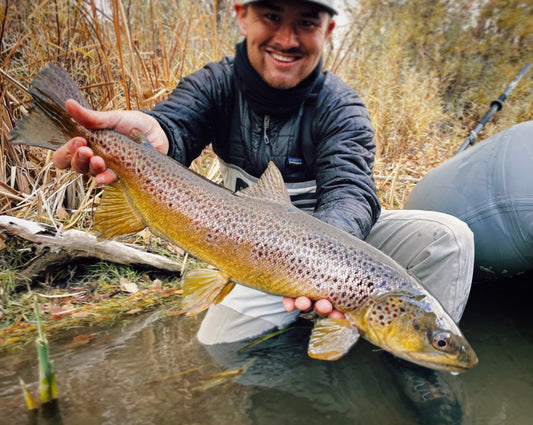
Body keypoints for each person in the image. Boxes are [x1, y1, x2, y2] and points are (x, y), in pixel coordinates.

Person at [53, 0, 474, 343]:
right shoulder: (213, 85)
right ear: (242, 15)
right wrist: (154, 133)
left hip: (343, 254)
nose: (287, 39)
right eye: (272, 15)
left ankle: (417, 364)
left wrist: (324, 265)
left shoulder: (341, 107)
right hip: (244, 248)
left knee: (450, 238)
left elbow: (352, 191)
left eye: (306, 22)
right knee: (218, 350)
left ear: (327, 31)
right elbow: (174, 125)